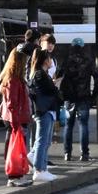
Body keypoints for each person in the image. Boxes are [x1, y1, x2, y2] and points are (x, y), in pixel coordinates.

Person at [0, 44, 33, 186]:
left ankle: (16, 175)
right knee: (15, 147)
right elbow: (12, 103)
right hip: (15, 118)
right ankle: (14, 176)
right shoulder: (14, 79)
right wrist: (16, 122)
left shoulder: (10, 76)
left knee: (13, 146)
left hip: (13, 117)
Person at [27, 47, 61, 183]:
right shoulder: (40, 74)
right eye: (49, 58)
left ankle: (43, 168)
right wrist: (55, 85)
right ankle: (39, 169)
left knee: (45, 141)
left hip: (47, 109)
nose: (51, 60)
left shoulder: (41, 73)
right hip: (44, 110)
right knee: (42, 140)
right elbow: (50, 90)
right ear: (44, 60)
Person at [58, 48, 95, 162]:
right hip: (84, 97)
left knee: (68, 126)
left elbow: (59, 76)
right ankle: (84, 154)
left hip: (69, 98)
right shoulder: (88, 61)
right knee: (83, 125)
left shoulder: (66, 61)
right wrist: (94, 95)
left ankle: (67, 154)